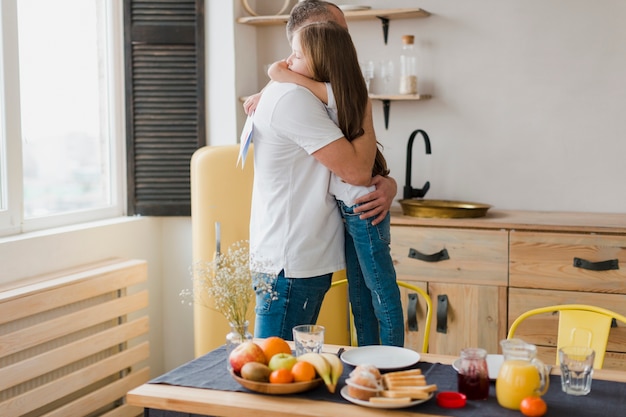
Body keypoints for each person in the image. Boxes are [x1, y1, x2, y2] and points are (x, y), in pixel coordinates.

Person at [267, 21, 404, 347]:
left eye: (297, 55)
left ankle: (393, 357)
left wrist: (282, 75)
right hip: (349, 206)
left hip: (362, 205)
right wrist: (270, 87)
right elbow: (283, 73)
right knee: (360, 294)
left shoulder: (340, 93)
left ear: (322, 61)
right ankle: (371, 355)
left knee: (379, 288)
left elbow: (282, 73)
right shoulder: (327, 92)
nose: (289, 61)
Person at [243, 0, 397, 227]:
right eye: (339, 32)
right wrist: (363, 101)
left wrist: (388, 184)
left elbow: (359, 157)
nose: (345, 41)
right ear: (315, 35)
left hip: (332, 234)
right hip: (305, 250)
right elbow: (357, 173)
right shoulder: (293, 97)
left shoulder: (316, 87)